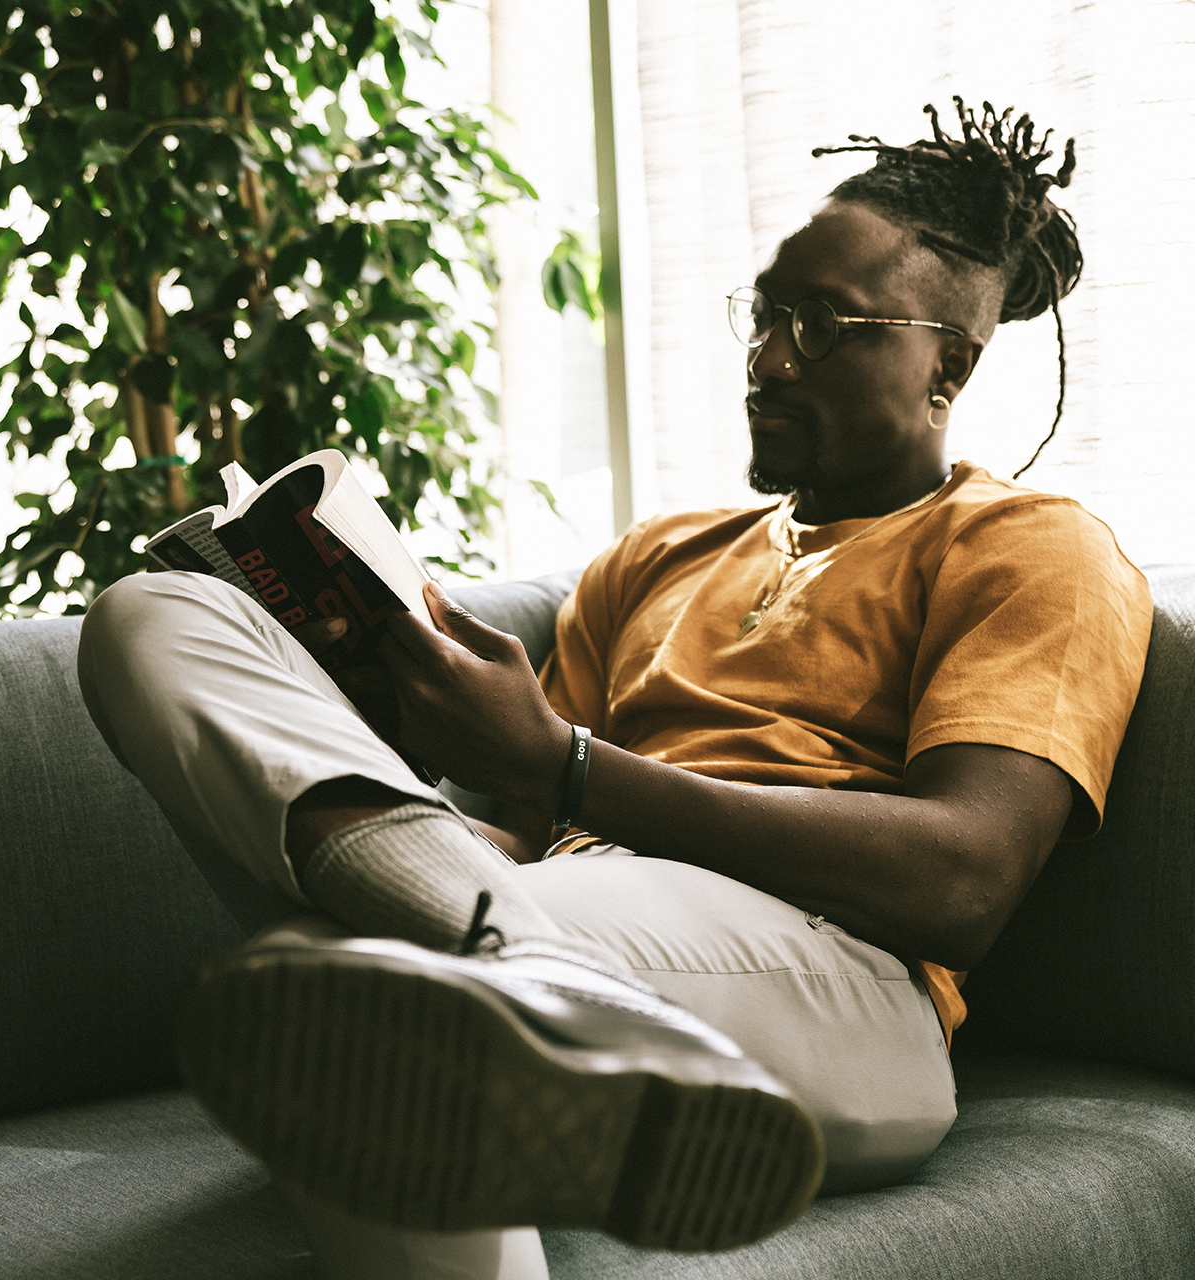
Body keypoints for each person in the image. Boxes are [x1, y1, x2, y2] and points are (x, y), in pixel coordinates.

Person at [77, 99, 1152, 1280]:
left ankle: (489, 972)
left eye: (823, 326)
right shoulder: (659, 555)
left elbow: (962, 876)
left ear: (945, 359)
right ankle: (504, 982)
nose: (769, 358)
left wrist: (566, 761)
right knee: (150, 615)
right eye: (764, 314)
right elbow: (525, 835)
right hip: (564, 922)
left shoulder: (1031, 547)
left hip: (839, 990)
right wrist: (380, 746)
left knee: (376, 1001)